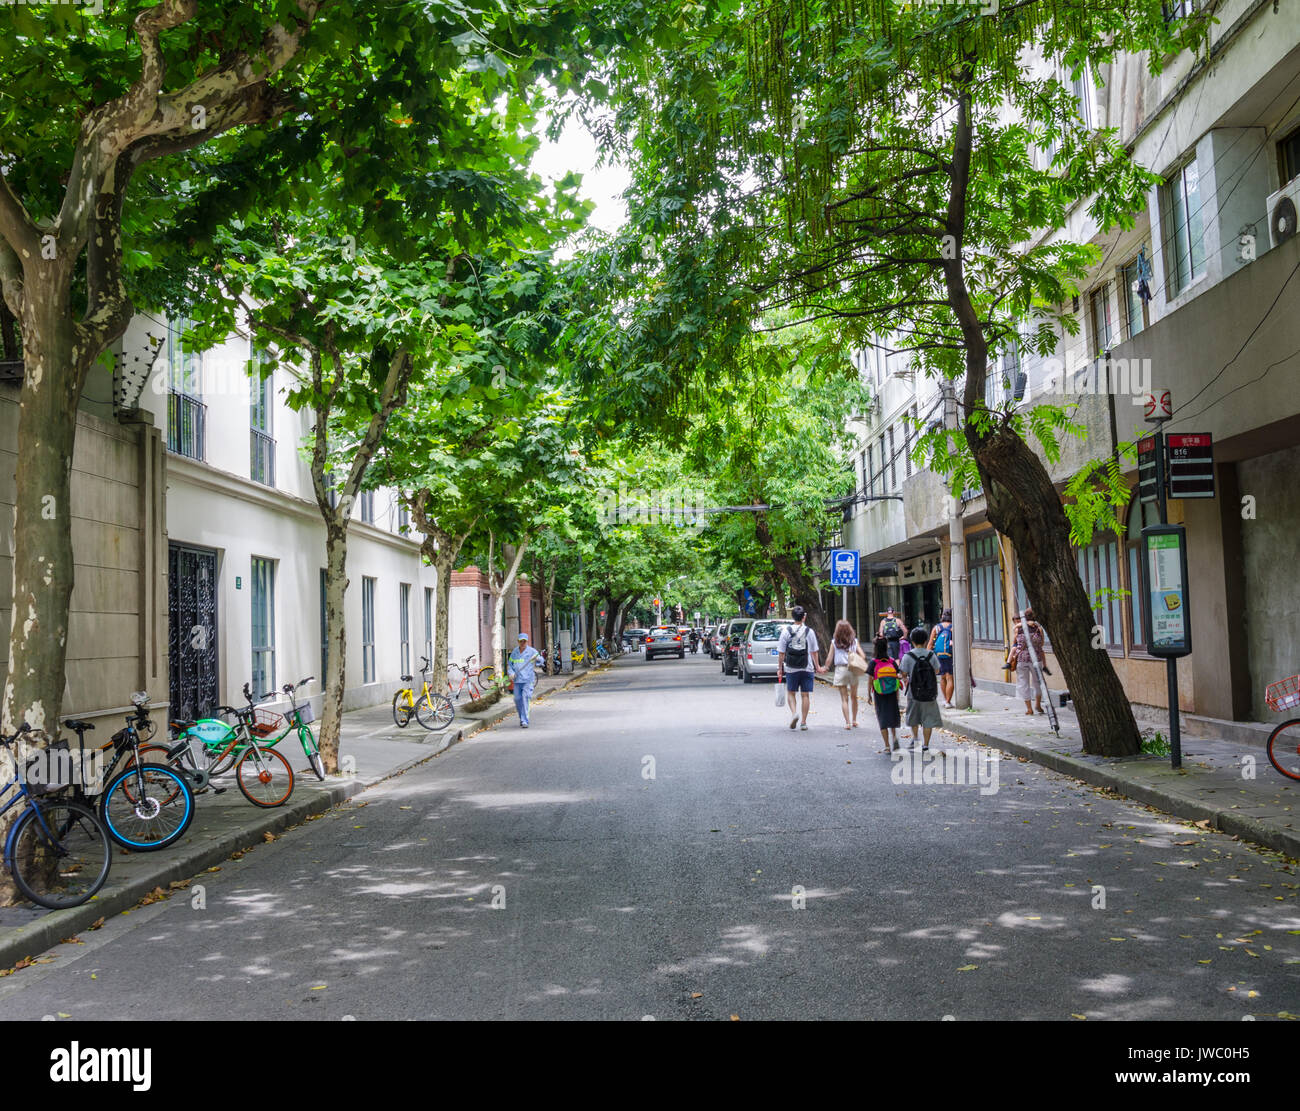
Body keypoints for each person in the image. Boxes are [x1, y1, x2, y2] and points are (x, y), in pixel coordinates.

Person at [776, 605, 824, 731]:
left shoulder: (786, 631)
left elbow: (781, 652)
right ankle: (803, 722)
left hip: (791, 668)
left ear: (792, 617)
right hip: (807, 667)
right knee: (805, 695)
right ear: (804, 617)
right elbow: (814, 651)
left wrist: (780, 668)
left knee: (791, 693)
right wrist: (817, 666)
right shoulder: (810, 631)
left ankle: (794, 714)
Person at [899, 625, 942, 751]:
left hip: (914, 692)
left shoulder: (908, 656)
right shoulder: (931, 655)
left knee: (914, 717)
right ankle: (926, 745)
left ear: (912, 641)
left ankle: (916, 738)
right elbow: (937, 670)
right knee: (928, 719)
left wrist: (907, 679)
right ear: (925, 641)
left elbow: (904, 674)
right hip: (930, 692)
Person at [822, 619, 862, 730]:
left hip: (840, 670)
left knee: (844, 698)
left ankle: (847, 723)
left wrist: (825, 668)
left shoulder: (834, 642)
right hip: (852, 669)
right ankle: (854, 720)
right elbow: (862, 655)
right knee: (854, 697)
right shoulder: (854, 641)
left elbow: (829, 658)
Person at [865, 636, 902, 752]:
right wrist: (897, 695)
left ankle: (887, 746)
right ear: (887, 647)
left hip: (879, 693)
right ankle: (894, 737)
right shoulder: (891, 661)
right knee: (892, 717)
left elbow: (870, 680)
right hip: (892, 693)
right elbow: (896, 677)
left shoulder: (873, 662)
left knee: (882, 718)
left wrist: (869, 694)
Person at [1011, 610, 1046, 716]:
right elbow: (1042, 644)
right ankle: (1038, 705)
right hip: (1036, 658)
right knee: (1038, 683)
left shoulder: (1018, 628)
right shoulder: (1039, 629)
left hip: (1022, 659)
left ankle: (1029, 709)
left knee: (1023, 683)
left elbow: (1015, 642)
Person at [507, 632, 543, 728]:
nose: (522, 643)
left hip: (527, 680)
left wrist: (538, 659)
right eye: (520, 641)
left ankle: (524, 720)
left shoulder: (531, 651)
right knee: (517, 699)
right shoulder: (514, 652)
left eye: (524, 641)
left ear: (527, 642)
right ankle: (521, 717)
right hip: (517, 680)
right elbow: (510, 664)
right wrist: (511, 673)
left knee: (525, 698)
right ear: (518, 642)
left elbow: (541, 659)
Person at [928, 609, 955, 708]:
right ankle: (948, 701)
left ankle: (945, 700)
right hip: (949, 655)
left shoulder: (936, 628)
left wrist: (927, 657)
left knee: (942, 677)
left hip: (938, 655)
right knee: (950, 677)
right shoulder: (953, 627)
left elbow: (930, 643)